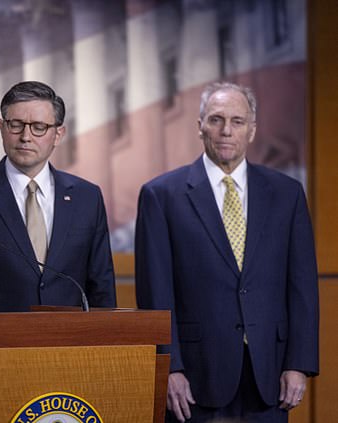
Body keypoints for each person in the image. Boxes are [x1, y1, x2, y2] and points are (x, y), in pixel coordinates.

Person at [135, 81, 319, 422]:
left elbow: (302, 286)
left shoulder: (287, 194)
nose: (226, 131)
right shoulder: (161, 196)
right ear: (200, 126)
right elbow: (155, 293)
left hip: (270, 376)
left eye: (237, 121)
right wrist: (169, 367)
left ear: (252, 130)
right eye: (216, 119)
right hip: (194, 379)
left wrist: (299, 363)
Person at [0, 81, 116, 312]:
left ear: (58, 134)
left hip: (71, 341)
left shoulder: (87, 197)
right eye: (16, 125)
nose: (26, 137)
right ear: (1, 127)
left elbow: (102, 286)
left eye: (39, 127)